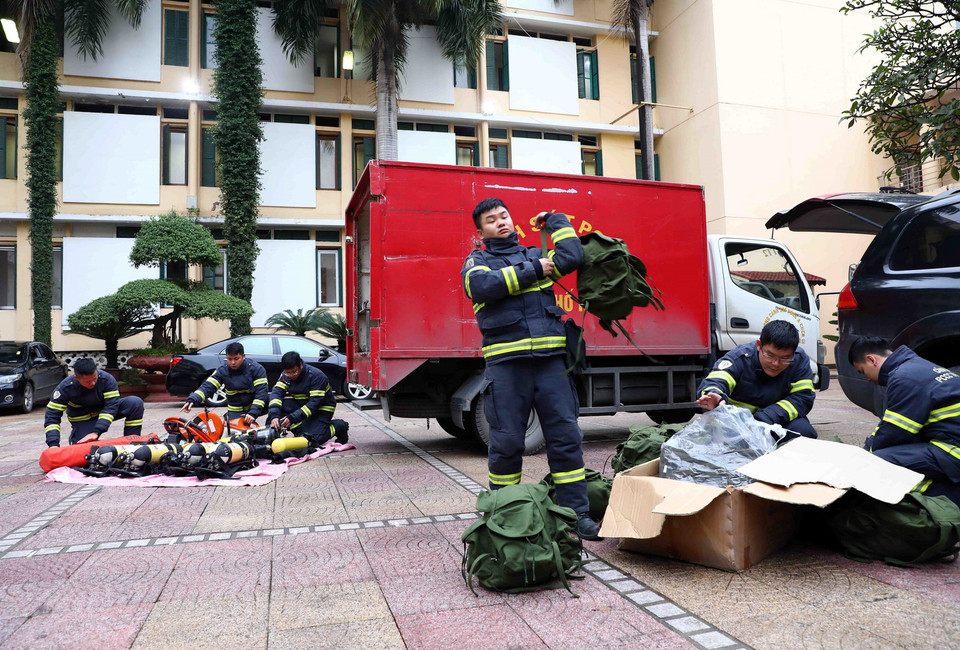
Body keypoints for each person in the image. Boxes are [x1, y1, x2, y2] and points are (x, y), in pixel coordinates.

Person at [461, 197, 601, 541]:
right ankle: (504, 514)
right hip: (507, 367)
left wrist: (555, 221)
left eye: (504, 216)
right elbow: (482, 287)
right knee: (507, 444)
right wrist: (535, 270)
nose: (501, 222)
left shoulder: (534, 253)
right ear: (481, 231)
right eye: (491, 220)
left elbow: (572, 256)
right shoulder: (477, 262)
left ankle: (576, 515)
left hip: (551, 364)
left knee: (566, 438)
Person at [849, 337, 960, 505]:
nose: (867, 379)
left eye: (862, 371)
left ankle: (949, 498)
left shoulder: (905, 378)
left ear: (871, 360)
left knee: (879, 461)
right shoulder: (919, 367)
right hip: (951, 440)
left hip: (953, 451)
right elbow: (893, 425)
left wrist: (864, 455)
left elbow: (894, 432)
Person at [696, 320, 817, 439]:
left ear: (794, 353)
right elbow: (718, 379)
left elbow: (803, 397)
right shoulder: (740, 358)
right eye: (770, 355)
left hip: (776, 420)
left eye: (785, 358)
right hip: (738, 424)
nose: (775, 363)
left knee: (803, 432)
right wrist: (715, 394)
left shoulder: (799, 360)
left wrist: (766, 417)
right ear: (759, 345)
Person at [44, 358, 145, 447]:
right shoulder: (65, 388)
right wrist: (53, 444)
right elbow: (52, 416)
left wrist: (97, 431)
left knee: (135, 403)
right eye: (88, 382)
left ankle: (132, 442)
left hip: (104, 413)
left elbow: (111, 407)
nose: (93, 383)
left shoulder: (106, 380)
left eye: (94, 378)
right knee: (81, 448)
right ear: (76, 378)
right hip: (83, 420)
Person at [268, 351, 348, 444]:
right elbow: (277, 393)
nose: (291, 376)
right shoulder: (285, 375)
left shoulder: (316, 376)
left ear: (301, 365)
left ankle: (339, 426)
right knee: (277, 406)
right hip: (301, 405)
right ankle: (299, 432)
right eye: (288, 373)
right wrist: (274, 416)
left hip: (321, 408)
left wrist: (292, 418)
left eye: (294, 372)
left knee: (313, 439)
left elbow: (314, 404)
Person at [182, 341, 268, 426]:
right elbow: (208, 386)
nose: (233, 362)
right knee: (235, 432)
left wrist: (253, 413)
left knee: (274, 405)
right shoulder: (222, 370)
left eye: (236, 359)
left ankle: (271, 430)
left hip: (255, 405)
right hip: (236, 409)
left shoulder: (256, 369)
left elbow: (261, 393)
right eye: (229, 359)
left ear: (243, 356)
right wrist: (193, 399)